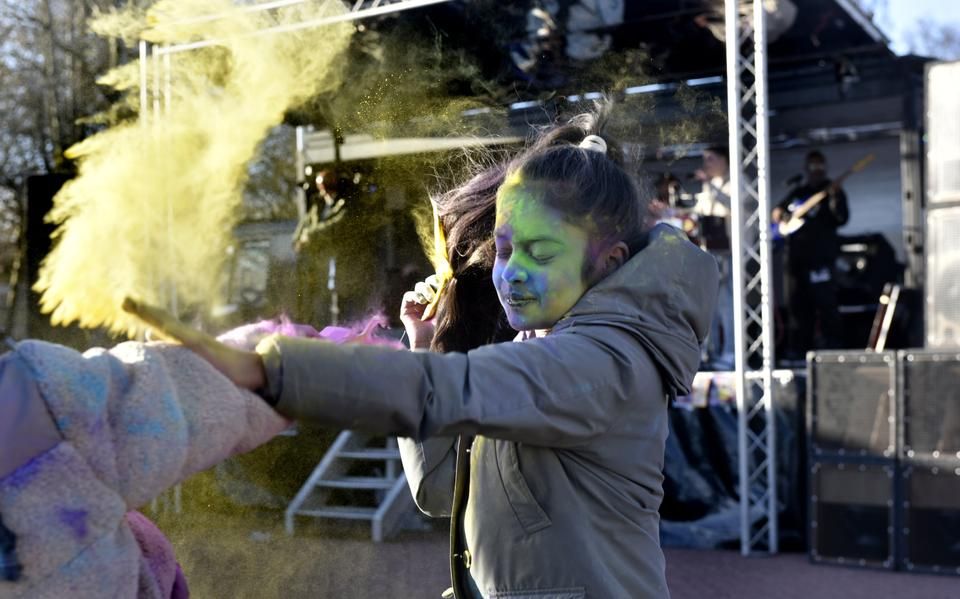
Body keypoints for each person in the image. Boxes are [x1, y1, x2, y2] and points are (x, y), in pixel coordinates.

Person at [127, 109, 719, 598]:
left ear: (608, 261)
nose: (510, 273)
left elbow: (446, 390)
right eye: (506, 249)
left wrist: (274, 368)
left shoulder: (603, 365)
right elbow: (438, 493)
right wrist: (423, 343)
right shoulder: (533, 349)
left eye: (540, 252)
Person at [773, 149, 850, 355]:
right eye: (813, 166)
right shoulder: (798, 192)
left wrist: (834, 198)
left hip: (821, 259)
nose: (817, 170)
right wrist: (780, 216)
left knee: (826, 304)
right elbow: (777, 212)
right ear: (807, 168)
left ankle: (833, 348)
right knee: (799, 307)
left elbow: (841, 219)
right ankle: (800, 349)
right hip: (797, 261)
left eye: (820, 166)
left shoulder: (833, 190)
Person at [694, 145, 735, 370]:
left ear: (724, 160)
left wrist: (709, 185)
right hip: (711, 253)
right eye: (704, 159)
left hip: (731, 253)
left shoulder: (737, 181)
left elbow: (733, 205)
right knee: (714, 307)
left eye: (711, 159)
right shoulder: (708, 187)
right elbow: (699, 215)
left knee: (728, 306)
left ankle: (731, 352)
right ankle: (715, 352)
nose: (706, 163)